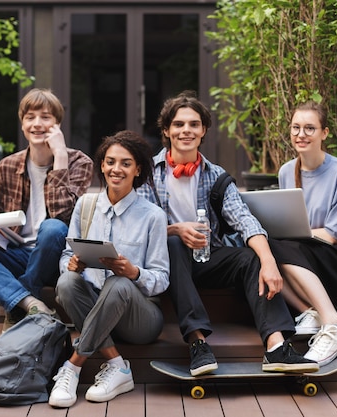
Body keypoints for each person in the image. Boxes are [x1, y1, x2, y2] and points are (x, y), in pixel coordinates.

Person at [136, 91, 319, 377]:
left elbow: (245, 220)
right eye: (179, 124)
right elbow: (139, 227)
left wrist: (269, 262)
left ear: (203, 130)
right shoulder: (148, 173)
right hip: (166, 264)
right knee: (172, 242)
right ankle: (198, 343)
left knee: (251, 257)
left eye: (194, 124)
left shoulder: (216, 175)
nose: (186, 130)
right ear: (166, 130)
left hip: (208, 257)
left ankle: (276, 347)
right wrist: (175, 229)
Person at [0, 88, 93, 331]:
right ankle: (29, 303)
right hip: (18, 253)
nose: (37, 124)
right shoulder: (6, 167)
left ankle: (15, 305)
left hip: (58, 258)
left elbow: (65, 217)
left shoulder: (80, 162)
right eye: (30, 117)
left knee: (52, 227)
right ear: (22, 124)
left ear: (57, 124)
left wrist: (59, 157)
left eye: (45, 117)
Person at [48, 130, 169, 408]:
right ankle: (117, 365)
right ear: (102, 165)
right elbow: (68, 253)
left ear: (138, 170)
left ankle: (72, 367)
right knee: (66, 282)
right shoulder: (85, 205)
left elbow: (162, 279)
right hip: (95, 307)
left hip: (140, 317)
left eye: (126, 163)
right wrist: (72, 264)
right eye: (110, 162)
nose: (117, 169)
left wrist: (133, 272)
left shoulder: (153, 216)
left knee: (119, 284)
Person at [272, 101, 337, 366]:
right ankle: (309, 313)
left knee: (279, 244)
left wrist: (293, 236)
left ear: (324, 133)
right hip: (302, 257)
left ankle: (334, 323)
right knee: (263, 248)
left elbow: (335, 234)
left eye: (309, 128)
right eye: (296, 128)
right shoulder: (286, 171)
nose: (301, 134)